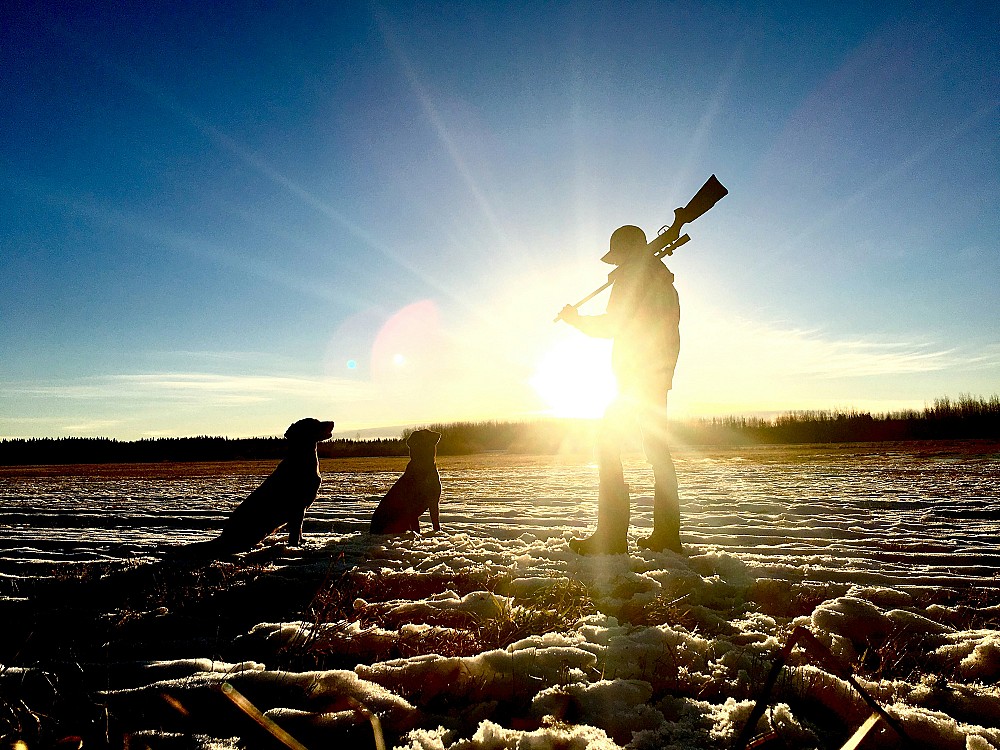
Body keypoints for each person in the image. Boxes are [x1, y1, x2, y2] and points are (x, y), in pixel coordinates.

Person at [558, 224, 683, 555]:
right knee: (658, 452)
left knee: (607, 445)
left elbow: (614, 325)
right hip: (656, 376)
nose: (614, 266)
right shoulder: (658, 278)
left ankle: (611, 538)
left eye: (618, 259)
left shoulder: (634, 279)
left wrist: (577, 320)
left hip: (633, 378)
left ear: (627, 254)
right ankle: (668, 537)